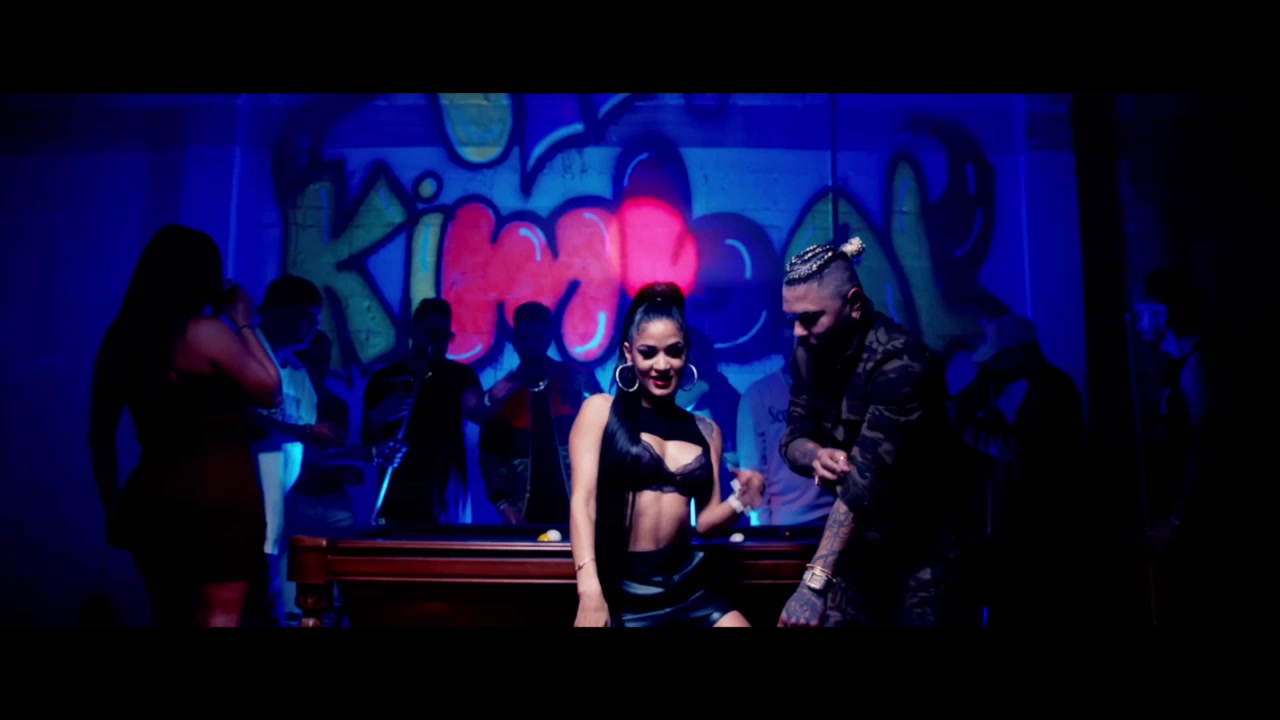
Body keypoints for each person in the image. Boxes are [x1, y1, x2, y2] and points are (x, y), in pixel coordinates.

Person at [89, 224, 282, 627]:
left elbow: (100, 433)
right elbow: (270, 391)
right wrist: (243, 321)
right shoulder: (205, 333)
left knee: (169, 615)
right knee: (221, 615)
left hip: (153, 494)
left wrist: (112, 505)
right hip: (218, 497)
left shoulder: (121, 338)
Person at [776, 238, 958, 627]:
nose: (797, 332)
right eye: (791, 318)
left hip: (921, 553)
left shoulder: (900, 361)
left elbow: (863, 483)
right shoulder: (809, 352)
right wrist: (815, 455)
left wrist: (812, 584)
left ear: (854, 304)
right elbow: (792, 439)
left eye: (810, 318)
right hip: (857, 549)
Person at [568, 282, 766, 628]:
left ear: (686, 353)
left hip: (689, 586)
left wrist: (742, 502)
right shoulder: (600, 412)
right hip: (624, 590)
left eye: (674, 351)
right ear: (629, 353)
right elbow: (583, 503)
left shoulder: (707, 430)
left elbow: (705, 522)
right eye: (648, 353)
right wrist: (589, 590)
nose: (662, 365)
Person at [952, 313, 1085, 625]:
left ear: (1019, 353)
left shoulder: (1051, 390)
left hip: (1046, 524)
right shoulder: (1044, 387)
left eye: (999, 358)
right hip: (1041, 520)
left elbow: (1019, 447)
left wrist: (964, 427)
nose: (995, 366)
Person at [479, 302, 602, 526]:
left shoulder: (577, 379)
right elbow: (491, 455)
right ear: (515, 340)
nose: (532, 345)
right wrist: (503, 503)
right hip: (523, 509)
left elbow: (607, 437)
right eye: (525, 338)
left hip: (578, 504)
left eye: (538, 338)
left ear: (549, 338)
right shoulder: (502, 394)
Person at [363, 298, 484, 525]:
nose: (440, 342)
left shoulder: (461, 376)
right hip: (399, 490)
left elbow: (480, 414)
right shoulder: (384, 379)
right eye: (433, 333)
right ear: (414, 330)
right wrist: (378, 416)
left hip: (446, 491)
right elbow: (367, 440)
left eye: (446, 336)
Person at [1133, 268, 1210, 625]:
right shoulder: (1179, 363)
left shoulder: (1199, 365)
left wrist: (1177, 520)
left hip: (1195, 522)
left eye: (1143, 312)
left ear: (1163, 313)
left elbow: (1205, 447)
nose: (1138, 322)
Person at [737, 320, 833, 526]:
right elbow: (751, 468)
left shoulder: (834, 388)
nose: (796, 346)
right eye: (790, 339)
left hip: (834, 514)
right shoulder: (757, 395)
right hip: (785, 522)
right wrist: (762, 529)